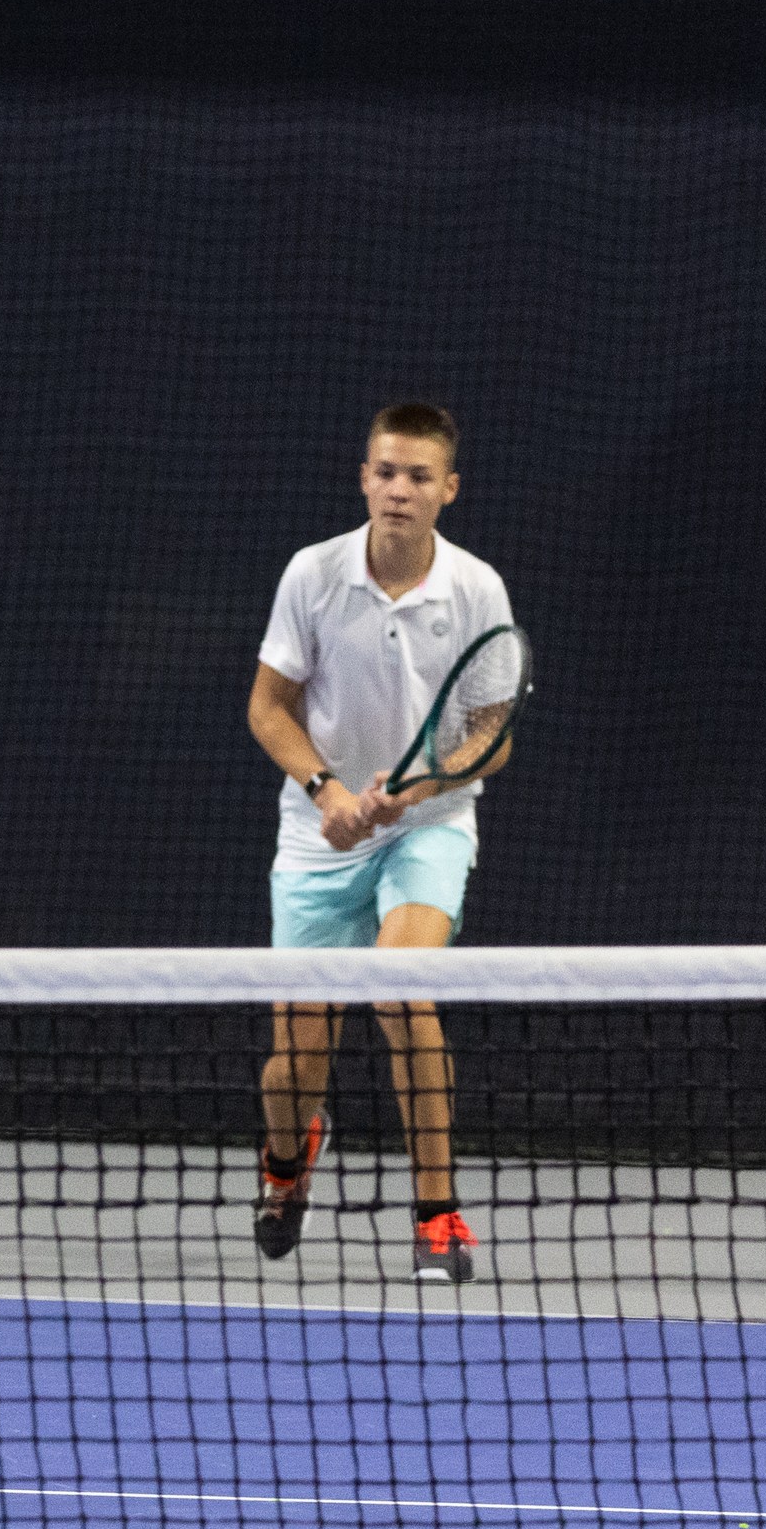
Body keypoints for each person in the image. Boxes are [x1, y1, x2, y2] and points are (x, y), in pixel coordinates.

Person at [245, 401, 515, 1285]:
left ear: (449, 489)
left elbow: (492, 733)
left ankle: (437, 1213)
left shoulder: (476, 589)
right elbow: (268, 707)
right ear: (364, 478)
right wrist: (326, 790)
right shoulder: (313, 573)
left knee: (403, 994)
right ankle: (289, 1156)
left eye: (418, 476)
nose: (400, 489)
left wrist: (423, 787)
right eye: (387, 472)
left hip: (428, 827)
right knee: (296, 1063)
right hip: (318, 835)